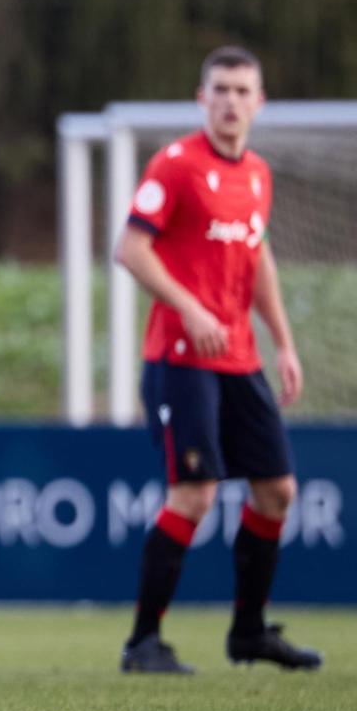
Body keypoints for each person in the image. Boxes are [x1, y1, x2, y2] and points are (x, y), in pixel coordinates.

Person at [116, 46, 321, 674]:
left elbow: (256, 258)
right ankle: (143, 642)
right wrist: (190, 307)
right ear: (202, 98)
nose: (231, 101)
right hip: (181, 358)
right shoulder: (176, 166)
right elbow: (130, 248)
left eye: (242, 90)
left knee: (277, 490)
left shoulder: (257, 173)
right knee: (195, 495)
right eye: (221, 90)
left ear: (259, 102)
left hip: (239, 357)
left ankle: (249, 632)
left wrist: (282, 341)